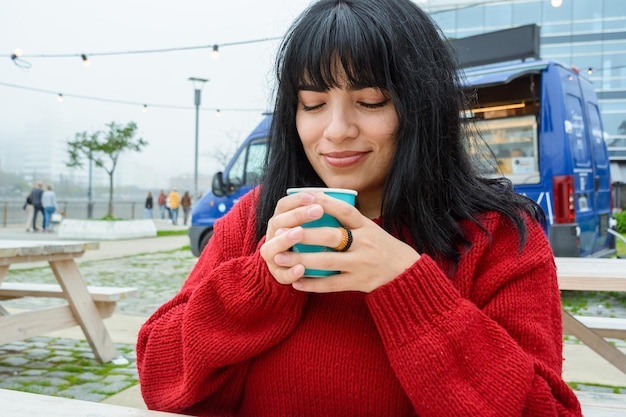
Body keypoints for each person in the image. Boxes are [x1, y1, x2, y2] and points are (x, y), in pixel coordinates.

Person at [136, 1, 581, 416]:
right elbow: (159, 377)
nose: (336, 131)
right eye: (313, 104)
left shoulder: (497, 235)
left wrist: (407, 285)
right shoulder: (257, 218)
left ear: (420, 106)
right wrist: (259, 284)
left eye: (370, 101)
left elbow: (547, 409)